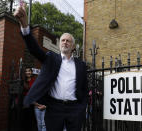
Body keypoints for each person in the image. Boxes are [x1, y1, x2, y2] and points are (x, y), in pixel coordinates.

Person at [14, 3, 88, 131]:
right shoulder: (51, 58)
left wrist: (82, 107)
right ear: (59, 44)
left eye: (68, 40)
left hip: (74, 109)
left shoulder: (81, 65)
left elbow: (84, 89)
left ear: (73, 47)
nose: (65, 42)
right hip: (55, 108)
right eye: (63, 40)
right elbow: (34, 49)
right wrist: (25, 26)